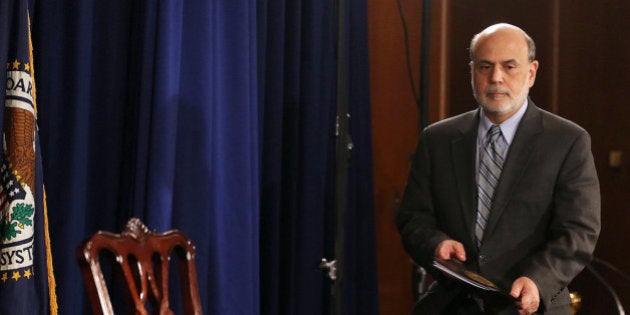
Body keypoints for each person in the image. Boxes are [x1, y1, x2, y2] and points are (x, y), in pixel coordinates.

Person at [395, 23, 601, 315]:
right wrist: (435, 244)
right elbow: (413, 216)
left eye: (509, 66)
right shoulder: (437, 139)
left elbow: (579, 231)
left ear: (531, 73)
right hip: (453, 304)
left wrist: (537, 280)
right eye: (485, 66)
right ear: (472, 71)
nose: (496, 78)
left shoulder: (567, 141)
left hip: (530, 305)